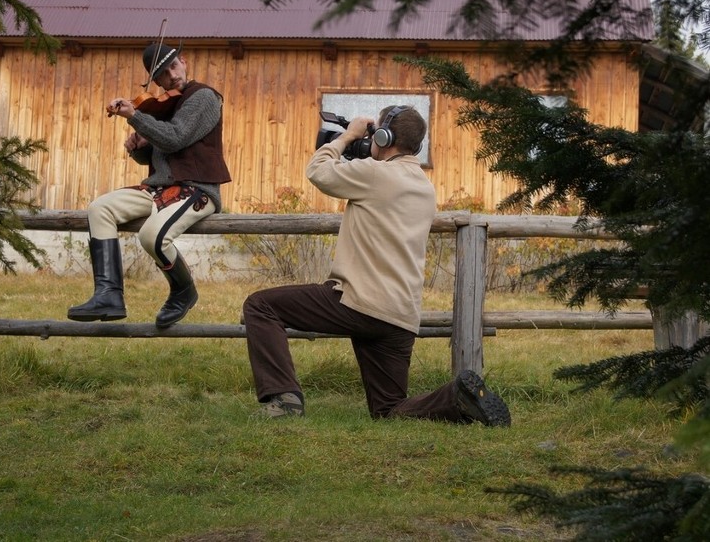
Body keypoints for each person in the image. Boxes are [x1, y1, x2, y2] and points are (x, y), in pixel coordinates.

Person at [243, 105, 511, 426]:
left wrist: (348, 136)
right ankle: (455, 399)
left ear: (384, 137)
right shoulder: (425, 187)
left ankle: (284, 398)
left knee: (260, 306)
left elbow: (318, 170)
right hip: (399, 316)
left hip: (357, 302)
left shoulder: (375, 174)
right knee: (388, 409)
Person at [68, 41, 231, 328]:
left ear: (183, 61)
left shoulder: (204, 97)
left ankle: (183, 291)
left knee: (151, 237)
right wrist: (139, 147)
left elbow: (176, 137)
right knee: (99, 208)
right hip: (158, 187)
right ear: (157, 81)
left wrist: (135, 117)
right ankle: (108, 295)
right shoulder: (165, 105)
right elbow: (160, 151)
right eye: (164, 75)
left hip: (197, 187)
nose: (172, 76)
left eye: (173, 66)